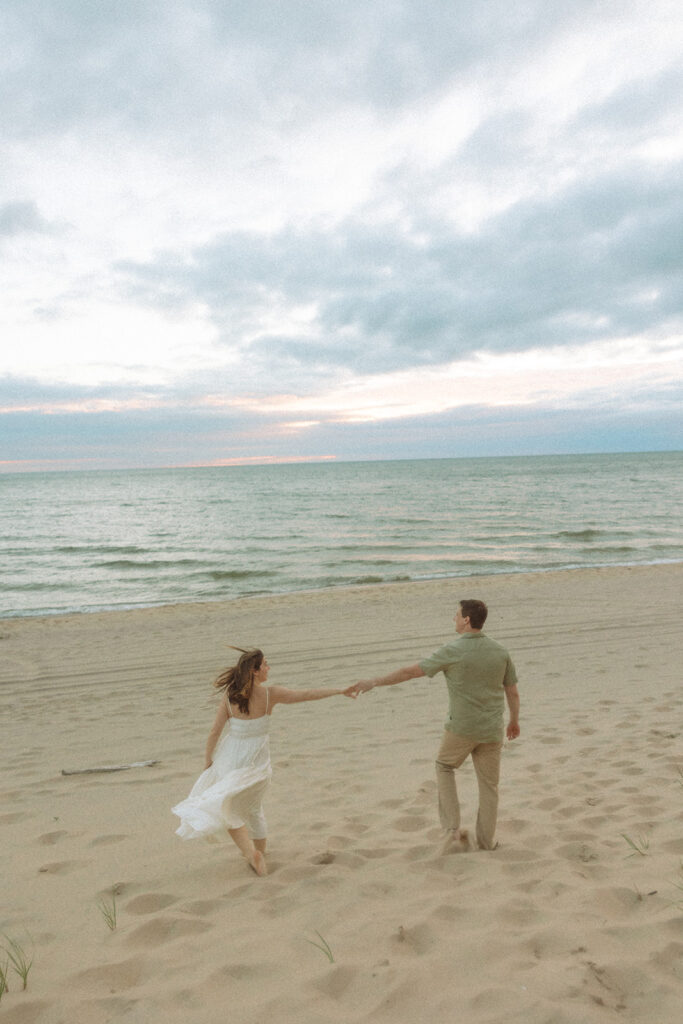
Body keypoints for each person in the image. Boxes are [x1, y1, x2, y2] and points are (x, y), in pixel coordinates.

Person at [351, 599, 519, 852]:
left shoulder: (452, 650)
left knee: (444, 766)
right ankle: (486, 842)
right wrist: (514, 721)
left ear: (466, 620)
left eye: (456, 615)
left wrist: (374, 682)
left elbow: (410, 672)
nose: (453, 618)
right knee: (489, 786)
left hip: (461, 728)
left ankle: (452, 830)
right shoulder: (500, 650)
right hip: (492, 729)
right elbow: (512, 692)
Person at [172, 646, 356, 876]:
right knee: (253, 809)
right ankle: (260, 854)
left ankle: (252, 854)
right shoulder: (271, 694)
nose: (269, 668)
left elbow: (214, 733)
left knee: (226, 808)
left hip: (230, 760)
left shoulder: (230, 698)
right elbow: (305, 694)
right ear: (254, 671)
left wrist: (208, 762)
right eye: (265, 665)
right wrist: (340, 690)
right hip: (257, 763)